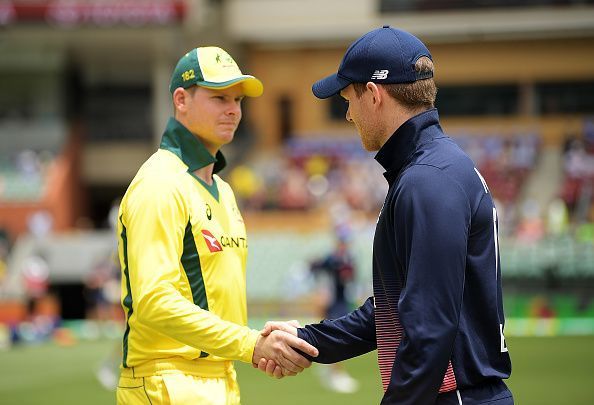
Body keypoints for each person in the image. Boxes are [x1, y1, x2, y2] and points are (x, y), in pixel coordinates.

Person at [259, 26, 513, 404]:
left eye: (348, 99)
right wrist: (308, 341)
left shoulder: (427, 180)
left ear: (374, 95)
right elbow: (397, 309)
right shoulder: (431, 170)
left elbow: (429, 330)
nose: (347, 115)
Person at [116, 46, 318, 405]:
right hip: (166, 381)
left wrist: (258, 342)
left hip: (219, 378)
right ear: (181, 99)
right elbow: (154, 301)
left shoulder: (223, 189)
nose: (234, 110)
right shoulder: (160, 183)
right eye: (219, 97)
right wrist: (251, 344)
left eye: (238, 100)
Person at [308, 226, 359, 393]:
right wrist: (321, 291)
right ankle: (336, 374)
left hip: (343, 301)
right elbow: (316, 268)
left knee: (337, 335)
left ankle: (332, 370)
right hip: (335, 302)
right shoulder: (333, 259)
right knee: (338, 336)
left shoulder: (348, 258)